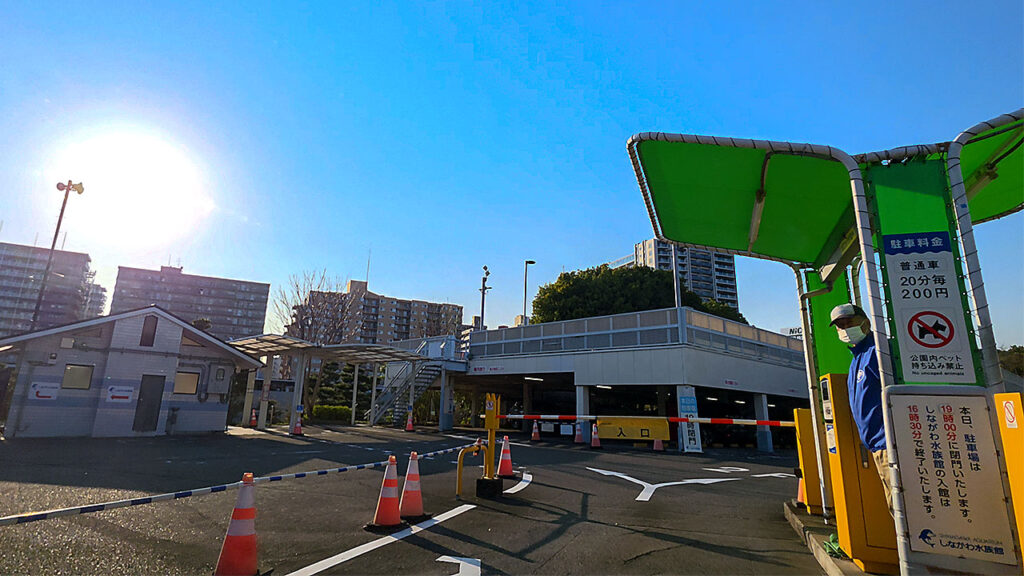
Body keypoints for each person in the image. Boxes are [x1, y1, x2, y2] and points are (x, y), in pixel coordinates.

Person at [830, 303, 892, 513]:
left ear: (866, 323)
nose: (845, 329)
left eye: (849, 323)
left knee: (904, 509)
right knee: (895, 507)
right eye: (840, 326)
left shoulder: (878, 352)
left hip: (890, 444)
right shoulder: (857, 358)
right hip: (877, 446)